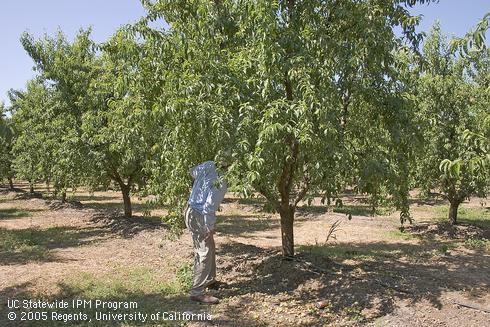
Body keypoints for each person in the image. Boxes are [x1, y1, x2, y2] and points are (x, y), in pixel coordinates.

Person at [185, 160, 228, 304]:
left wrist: (201, 185)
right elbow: (209, 207)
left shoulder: (208, 164)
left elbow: (192, 172)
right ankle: (197, 292)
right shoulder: (221, 182)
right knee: (204, 251)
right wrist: (209, 226)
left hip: (190, 210)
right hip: (199, 215)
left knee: (209, 246)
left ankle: (209, 280)